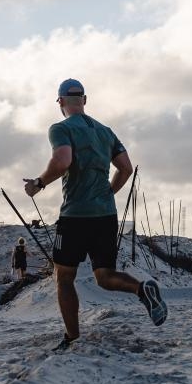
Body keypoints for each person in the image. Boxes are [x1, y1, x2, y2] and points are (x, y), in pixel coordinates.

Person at [25, 78, 167, 351]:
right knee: (104, 275)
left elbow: (62, 161)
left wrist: (39, 184)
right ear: (85, 100)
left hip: (76, 216)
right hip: (106, 216)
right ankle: (141, 289)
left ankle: (72, 337)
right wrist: (107, 194)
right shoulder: (105, 131)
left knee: (64, 277)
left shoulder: (60, 128)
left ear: (61, 102)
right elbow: (125, 168)